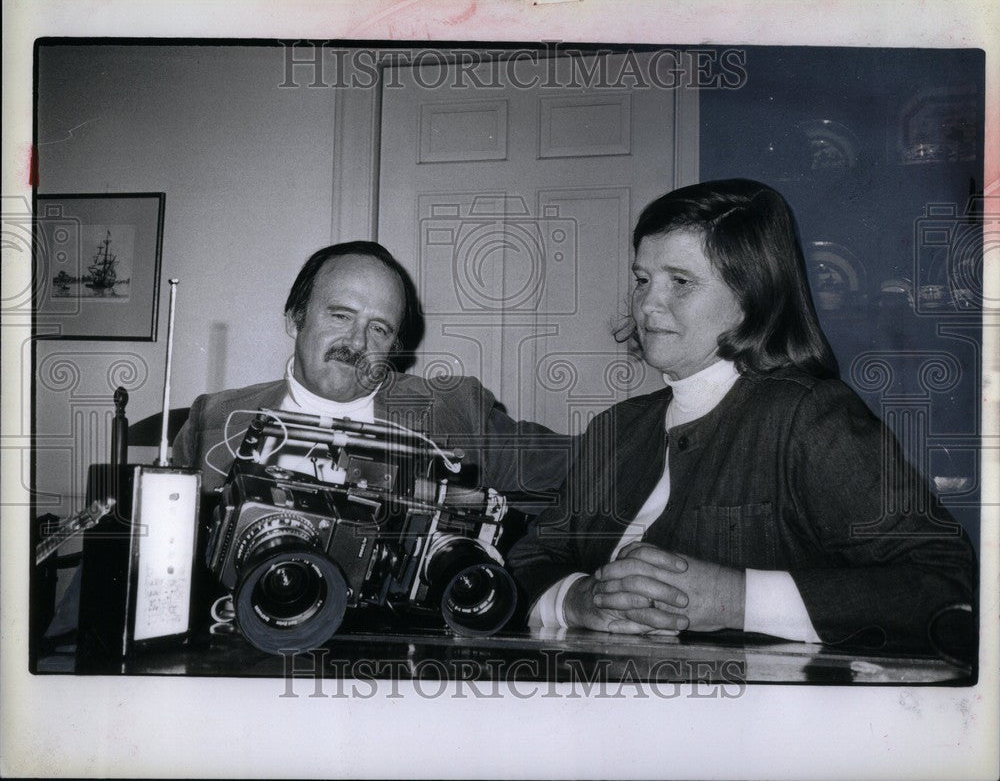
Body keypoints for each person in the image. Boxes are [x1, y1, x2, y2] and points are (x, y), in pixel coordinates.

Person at [507, 179, 977, 655]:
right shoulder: (615, 428)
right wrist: (577, 601)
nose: (647, 303)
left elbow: (946, 585)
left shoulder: (808, 416)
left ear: (751, 296)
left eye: (681, 282)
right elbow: (529, 561)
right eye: (642, 279)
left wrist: (737, 598)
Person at [172, 241, 570, 507]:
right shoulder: (214, 421)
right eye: (341, 315)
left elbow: (596, 464)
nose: (357, 341)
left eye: (379, 328)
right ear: (296, 319)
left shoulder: (453, 409)